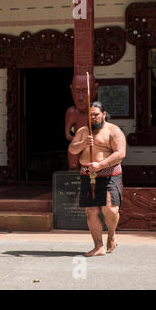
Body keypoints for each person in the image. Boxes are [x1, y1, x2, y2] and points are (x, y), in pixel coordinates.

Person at [68, 101, 126, 257]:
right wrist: (83, 143)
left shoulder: (113, 131)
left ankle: (112, 233)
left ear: (103, 114)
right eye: (90, 115)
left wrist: (101, 164)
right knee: (91, 211)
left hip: (109, 174)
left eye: (96, 114)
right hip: (88, 175)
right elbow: (72, 149)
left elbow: (120, 153)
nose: (93, 117)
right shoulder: (82, 131)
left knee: (110, 209)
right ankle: (98, 246)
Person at [65, 74, 98, 171]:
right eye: (77, 91)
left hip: (92, 145)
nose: (80, 97)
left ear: (95, 89)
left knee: (91, 167)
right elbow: (67, 135)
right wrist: (80, 141)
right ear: (71, 90)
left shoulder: (96, 112)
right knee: (73, 165)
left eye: (85, 91)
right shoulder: (72, 112)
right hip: (77, 144)